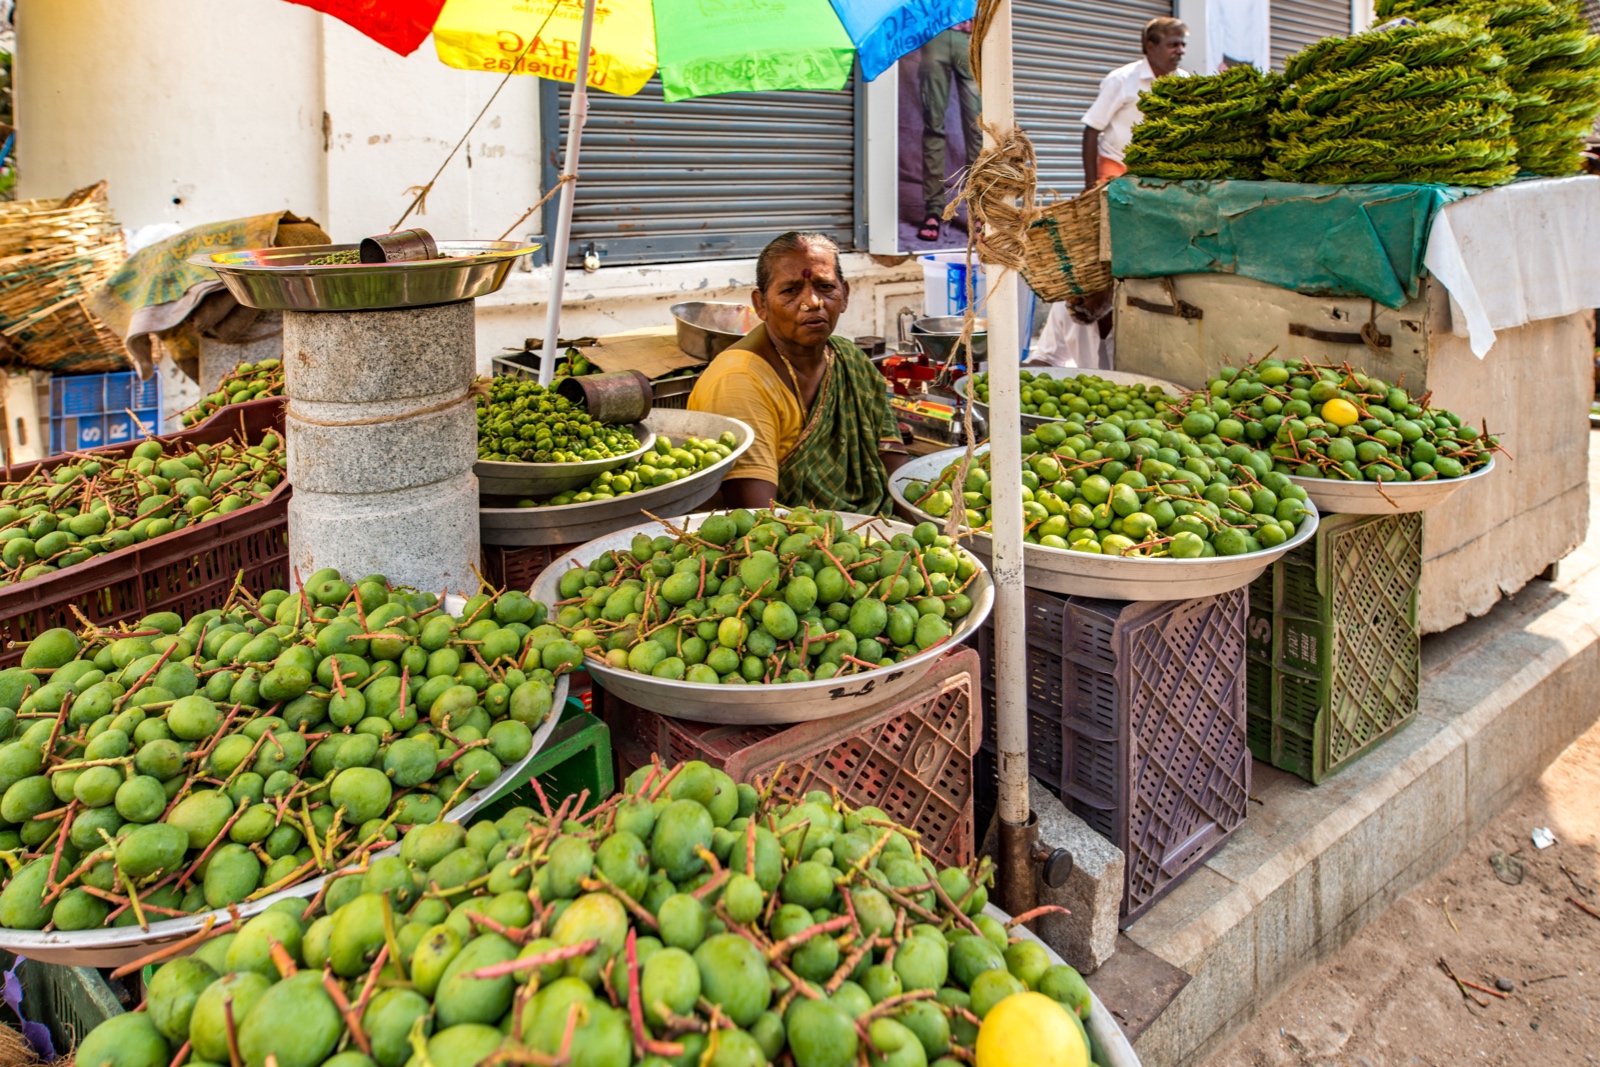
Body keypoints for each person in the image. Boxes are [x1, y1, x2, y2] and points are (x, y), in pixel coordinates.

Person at [688, 232, 907, 515]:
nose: (812, 302)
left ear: (845, 295)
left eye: (825, 286)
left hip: (874, 530)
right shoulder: (739, 380)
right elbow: (759, 517)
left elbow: (893, 464)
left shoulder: (849, 358)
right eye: (790, 290)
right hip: (796, 546)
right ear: (761, 305)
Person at [1080, 17, 1190, 190]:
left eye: (1183, 44)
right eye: (1173, 45)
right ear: (1150, 47)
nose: (1181, 51)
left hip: (1159, 174)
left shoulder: (1185, 81)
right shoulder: (1122, 80)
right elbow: (1091, 130)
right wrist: (1090, 185)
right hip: (1116, 167)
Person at [916, 22, 982, 243]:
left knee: (978, 130)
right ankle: (933, 209)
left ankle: (978, 211)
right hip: (938, 32)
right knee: (934, 125)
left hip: (972, 38)